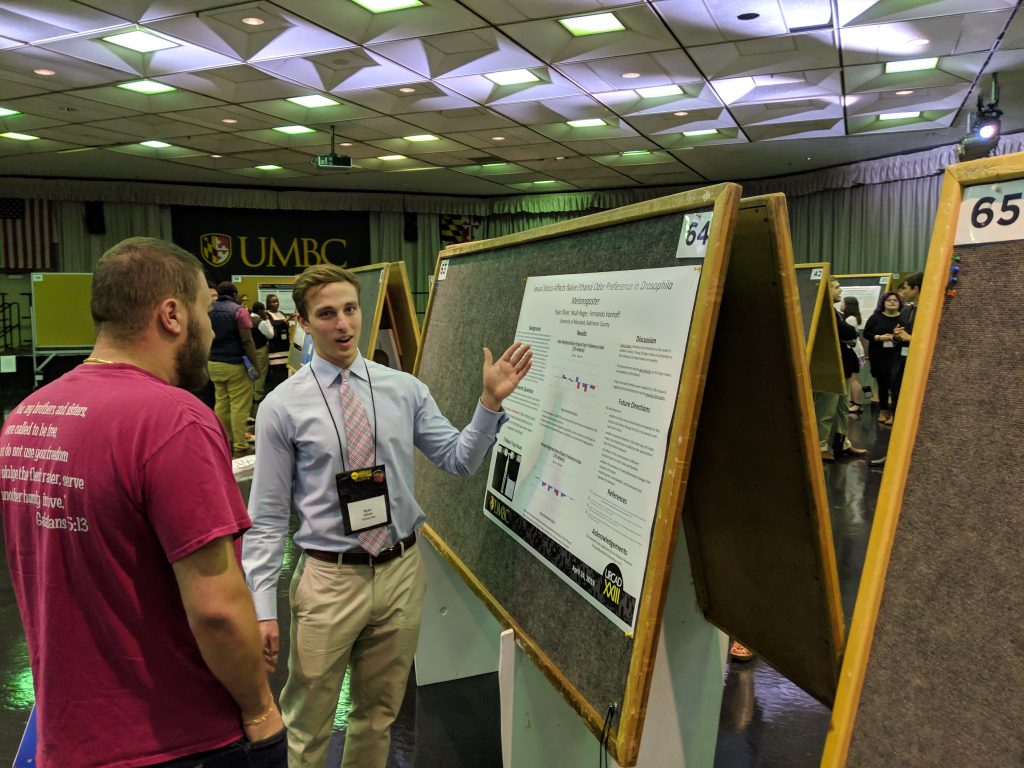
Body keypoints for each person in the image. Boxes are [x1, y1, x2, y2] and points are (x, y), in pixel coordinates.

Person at [0, 237, 285, 767]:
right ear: (172, 315)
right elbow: (218, 609)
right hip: (177, 739)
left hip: (70, 738)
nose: (209, 322)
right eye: (203, 307)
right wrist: (260, 708)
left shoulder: (26, 417)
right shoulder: (172, 420)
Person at [242, 265, 532, 767]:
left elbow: (458, 459)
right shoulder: (281, 408)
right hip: (329, 580)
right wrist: (262, 607)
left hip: (400, 572)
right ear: (304, 323)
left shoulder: (404, 389)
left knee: (377, 716)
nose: (342, 324)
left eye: (350, 309)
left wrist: (488, 404)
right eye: (327, 314)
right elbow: (267, 518)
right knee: (306, 725)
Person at [869, 272, 923, 468]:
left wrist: (912, 339)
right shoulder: (907, 311)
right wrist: (899, 335)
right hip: (900, 365)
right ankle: (893, 456)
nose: (902, 293)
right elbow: (902, 334)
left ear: (916, 289)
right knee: (898, 407)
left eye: (905, 288)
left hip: (919, 369)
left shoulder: (930, 310)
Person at [814, 278, 868, 462]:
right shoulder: (822, 312)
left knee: (841, 409)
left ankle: (843, 444)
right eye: (836, 287)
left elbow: (848, 335)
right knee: (826, 411)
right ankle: (820, 446)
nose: (840, 290)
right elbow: (849, 333)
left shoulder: (835, 312)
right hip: (828, 370)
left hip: (841, 368)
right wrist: (848, 335)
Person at [209, 282, 260, 457]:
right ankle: (240, 443)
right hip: (235, 364)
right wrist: (255, 364)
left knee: (221, 402)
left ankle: (225, 439)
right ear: (234, 294)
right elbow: (247, 341)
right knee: (239, 404)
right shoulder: (239, 311)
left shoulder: (208, 310)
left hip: (213, 363)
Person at [862, 291, 903, 426]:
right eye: (889, 300)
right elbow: (867, 333)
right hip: (878, 355)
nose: (892, 302)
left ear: (899, 303)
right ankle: (883, 410)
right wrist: (879, 338)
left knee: (895, 384)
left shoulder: (903, 317)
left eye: (895, 300)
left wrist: (895, 337)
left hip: (896, 355)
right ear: (883, 303)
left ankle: (895, 412)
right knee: (882, 384)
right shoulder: (875, 317)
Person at [841, 296, 865, 415]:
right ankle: (854, 402)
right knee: (853, 378)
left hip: (854, 351)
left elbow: (851, 336)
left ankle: (857, 403)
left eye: (843, 303)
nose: (841, 305)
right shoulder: (854, 318)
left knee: (853, 379)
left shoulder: (850, 319)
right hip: (856, 350)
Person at [263, 293, 291, 395]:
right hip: (274, 348)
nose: (276, 304)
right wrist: (284, 322)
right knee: (275, 372)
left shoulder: (282, 313)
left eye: (277, 301)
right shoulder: (266, 314)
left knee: (284, 371)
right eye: (273, 302)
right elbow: (272, 327)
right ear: (268, 304)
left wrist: (286, 323)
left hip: (285, 346)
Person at [250, 300, 274, 408]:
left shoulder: (246, 318)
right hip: (260, 349)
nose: (265, 311)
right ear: (259, 310)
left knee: (251, 372)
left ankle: (251, 394)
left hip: (249, 350)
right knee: (261, 372)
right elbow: (270, 335)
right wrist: (267, 320)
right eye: (263, 309)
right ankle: (257, 395)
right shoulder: (260, 322)